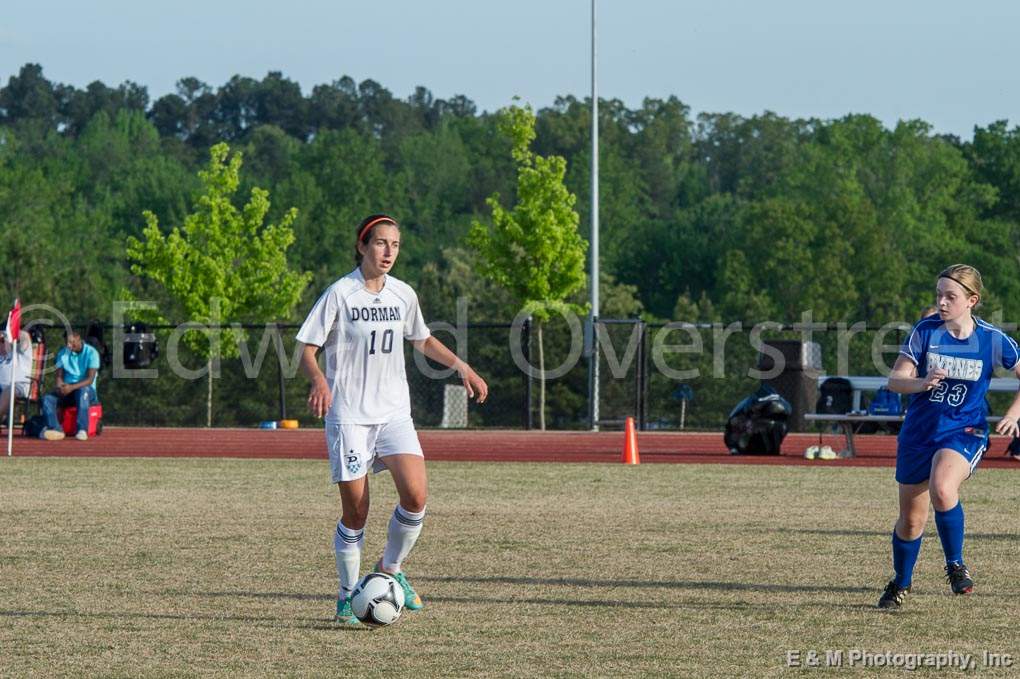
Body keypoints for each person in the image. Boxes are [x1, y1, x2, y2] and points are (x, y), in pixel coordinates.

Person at [296, 213, 488, 624]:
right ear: (363, 246)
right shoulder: (340, 294)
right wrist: (319, 381)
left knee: (416, 496)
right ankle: (347, 596)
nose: (388, 252)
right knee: (357, 513)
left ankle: (391, 569)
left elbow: (422, 338)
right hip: (349, 417)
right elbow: (307, 349)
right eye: (381, 243)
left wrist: (461, 366)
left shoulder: (403, 294)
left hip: (393, 413)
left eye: (395, 245)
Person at [877, 264, 1020, 609]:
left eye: (950, 296)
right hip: (919, 433)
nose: (942, 302)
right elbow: (895, 381)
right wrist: (921, 382)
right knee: (911, 521)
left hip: (964, 431)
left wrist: (1014, 414)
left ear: (972, 300)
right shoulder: (925, 332)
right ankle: (901, 582)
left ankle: (955, 564)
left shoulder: (991, 338)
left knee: (943, 486)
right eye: (939, 295)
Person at [39, 329, 100, 441]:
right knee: (47, 399)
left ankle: (82, 430)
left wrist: (71, 387)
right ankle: (56, 429)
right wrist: (60, 387)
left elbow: (90, 380)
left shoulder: (92, 353)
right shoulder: (62, 353)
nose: (69, 345)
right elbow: (59, 377)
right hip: (67, 390)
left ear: (78, 338)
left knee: (83, 391)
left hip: (85, 390)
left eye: (72, 342)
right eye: (67, 343)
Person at [0, 324, 33, 426]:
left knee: (10, 390)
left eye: (2, 340)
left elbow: (24, 337)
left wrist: (7, 335)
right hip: (1, 387)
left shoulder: (21, 347)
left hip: (19, 385)